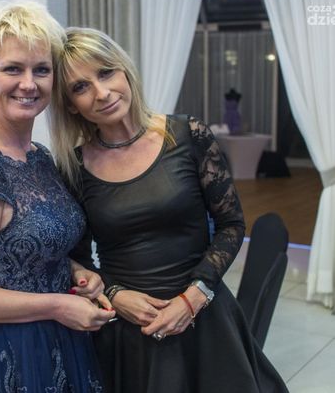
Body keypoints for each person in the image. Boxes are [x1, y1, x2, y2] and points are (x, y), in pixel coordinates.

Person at [49, 27, 288, 393]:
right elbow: (76, 259)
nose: (102, 93)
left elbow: (231, 224)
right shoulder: (74, 168)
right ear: (70, 104)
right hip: (128, 333)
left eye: (106, 72)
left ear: (125, 70)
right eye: (81, 87)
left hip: (204, 317)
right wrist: (115, 295)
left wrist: (193, 298)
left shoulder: (188, 134)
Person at [0, 1, 114, 392]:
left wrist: (75, 272)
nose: (29, 84)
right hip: (6, 354)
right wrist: (57, 305)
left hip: (59, 340)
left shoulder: (39, 156)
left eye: (41, 70)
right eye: (13, 69)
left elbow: (27, 247)